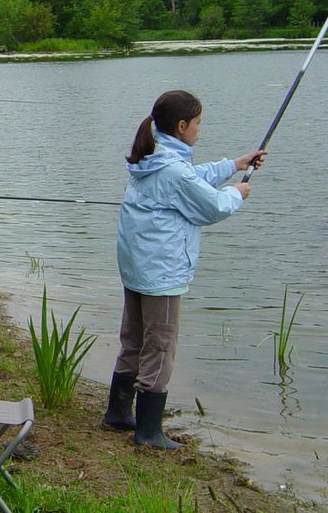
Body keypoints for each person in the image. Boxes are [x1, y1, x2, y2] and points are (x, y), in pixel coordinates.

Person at [103, 90, 264, 450]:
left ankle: (117, 414)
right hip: (161, 272)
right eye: (198, 123)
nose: (199, 130)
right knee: (160, 347)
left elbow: (191, 177)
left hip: (136, 267)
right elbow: (212, 207)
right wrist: (238, 193)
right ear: (181, 126)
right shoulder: (172, 169)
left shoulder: (153, 156)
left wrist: (233, 164)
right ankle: (148, 431)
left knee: (133, 339)